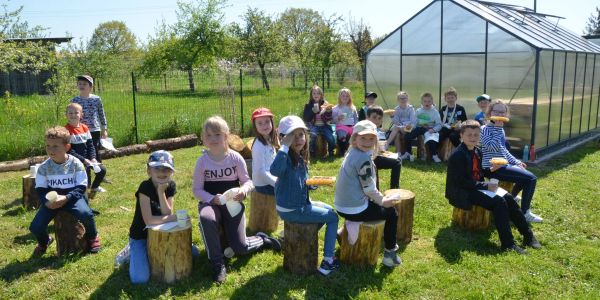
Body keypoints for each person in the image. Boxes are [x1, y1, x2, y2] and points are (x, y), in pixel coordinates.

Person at [193, 116, 281, 283]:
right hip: (211, 204)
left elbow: (248, 181)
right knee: (206, 218)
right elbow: (196, 190)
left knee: (240, 248)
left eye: (217, 134)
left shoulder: (235, 158)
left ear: (226, 136)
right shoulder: (202, 161)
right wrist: (212, 199)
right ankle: (217, 263)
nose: (213, 139)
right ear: (203, 139)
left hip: (233, 205)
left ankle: (261, 239)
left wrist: (243, 190)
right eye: (208, 136)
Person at [445, 120, 542, 254]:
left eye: (476, 135)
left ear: (480, 136)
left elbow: (481, 172)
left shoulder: (477, 151)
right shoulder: (457, 155)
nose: (473, 138)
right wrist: (486, 185)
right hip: (463, 192)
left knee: (509, 198)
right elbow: (460, 182)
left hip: (476, 187)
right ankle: (508, 244)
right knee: (498, 202)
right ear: (461, 136)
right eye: (469, 135)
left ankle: (528, 235)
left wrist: (492, 169)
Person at [270, 115, 340, 276]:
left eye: (301, 134)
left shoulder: (299, 156)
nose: (298, 139)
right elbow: (275, 171)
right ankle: (328, 260)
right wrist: (284, 147)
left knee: (329, 209)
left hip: (299, 203)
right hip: (292, 209)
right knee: (333, 217)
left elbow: (299, 181)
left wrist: (311, 184)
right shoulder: (285, 156)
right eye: (291, 136)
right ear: (283, 138)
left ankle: (302, 237)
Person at [334, 120, 402, 267]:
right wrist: (384, 201)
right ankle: (390, 254)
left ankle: (344, 231)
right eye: (363, 138)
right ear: (355, 138)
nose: (367, 142)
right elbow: (369, 189)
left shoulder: (352, 152)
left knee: (376, 206)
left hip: (341, 206)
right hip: (354, 209)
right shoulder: (363, 158)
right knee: (391, 213)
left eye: (371, 138)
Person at [127, 150, 199, 284]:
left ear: (172, 172)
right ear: (149, 171)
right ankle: (131, 250)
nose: (162, 172)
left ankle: (145, 254)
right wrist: (174, 218)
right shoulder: (145, 187)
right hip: (141, 235)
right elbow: (149, 220)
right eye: (157, 168)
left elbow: (167, 212)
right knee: (139, 279)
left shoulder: (170, 185)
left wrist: (161, 193)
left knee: (194, 253)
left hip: (162, 232)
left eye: (166, 169)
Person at [29, 126, 101, 257]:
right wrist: (46, 201)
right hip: (53, 202)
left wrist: (67, 197)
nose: (51, 150)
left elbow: (81, 186)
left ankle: (92, 236)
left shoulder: (76, 164)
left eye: (55, 146)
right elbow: (40, 188)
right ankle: (44, 241)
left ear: (67, 147)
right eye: (48, 146)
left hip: (73, 198)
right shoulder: (44, 168)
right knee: (35, 226)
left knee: (87, 214)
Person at [480, 100, 543, 223]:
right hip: (491, 168)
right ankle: (525, 213)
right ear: (489, 112)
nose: (499, 114)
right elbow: (491, 147)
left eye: (502, 112)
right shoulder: (484, 129)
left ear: (506, 115)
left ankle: (512, 197)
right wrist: (498, 129)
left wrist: (516, 161)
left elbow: (503, 150)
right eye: (496, 111)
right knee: (531, 179)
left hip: (502, 164)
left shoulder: (501, 130)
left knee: (525, 175)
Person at [64, 103, 107, 196]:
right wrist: (83, 160)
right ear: (66, 115)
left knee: (102, 170)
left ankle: (94, 187)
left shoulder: (85, 128)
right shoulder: (66, 130)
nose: (73, 115)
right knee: (85, 183)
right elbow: (69, 151)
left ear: (81, 115)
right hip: (75, 161)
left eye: (76, 113)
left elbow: (90, 145)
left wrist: (93, 158)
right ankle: (84, 193)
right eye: (70, 113)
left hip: (88, 160)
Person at [70, 75, 108, 166]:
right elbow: (71, 115)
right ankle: (85, 171)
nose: (82, 85)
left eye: (84, 84)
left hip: (94, 130)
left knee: (95, 150)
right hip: (80, 131)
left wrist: (104, 129)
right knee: (83, 151)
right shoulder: (75, 100)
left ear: (91, 86)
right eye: (80, 84)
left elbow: (101, 114)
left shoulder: (96, 99)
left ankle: (99, 172)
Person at [366, 106, 402, 189]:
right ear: (367, 118)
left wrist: (382, 149)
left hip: (373, 156)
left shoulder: (377, 130)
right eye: (374, 117)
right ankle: (393, 189)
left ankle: (394, 189)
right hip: (367, 159)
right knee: (397, 162)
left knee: (398, 160)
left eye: (379, 118)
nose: (377, 120)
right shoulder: (367, 129)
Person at [403, 92, 443, 162]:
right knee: (407, 136)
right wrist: (410, 127)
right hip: (419, 129)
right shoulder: (418, 111)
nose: (427, 103)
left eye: (429, 101)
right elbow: (415, 122)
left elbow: (439, 124)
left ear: (432, 102)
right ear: (422, 102)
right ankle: (408, 153)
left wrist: (433, 129)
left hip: (430, 129)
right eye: (425, 101)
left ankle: (434, 155)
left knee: (431, 138)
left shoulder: (435, 112)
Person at [250, 107, 279, 195]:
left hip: (271, 179)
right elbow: (261, 172)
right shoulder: (259, 146)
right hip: (263, 185)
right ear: (255, 126)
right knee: (290, 192)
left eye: (267, 121)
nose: (264, 125)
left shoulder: (270, 140)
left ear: (272, 122)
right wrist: (277, 183)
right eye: (260, 123)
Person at [302, 85, 335, 157]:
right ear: (311, 95)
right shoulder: (308, 105)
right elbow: (306, 118)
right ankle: (312, 151)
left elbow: (329, 119)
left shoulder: (325, 104)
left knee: (330, 137)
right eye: (314, 93)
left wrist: (328, 111)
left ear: (321, 95)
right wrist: (312, 112)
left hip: (324, 126)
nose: (316, 95)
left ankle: (331, 151)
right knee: (313, 135)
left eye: (318, 93)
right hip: (314, 126)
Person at [333, 88, 359, 156]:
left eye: (347, 96)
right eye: (343, 96)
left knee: (352, 139)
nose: (345, 97)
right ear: (339, 97)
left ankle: (349, 151)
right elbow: (332, 120)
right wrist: (338, 118)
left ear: (350, 97)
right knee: (342, 136)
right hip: (341, 126)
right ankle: (342, 151)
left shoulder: (353, 107)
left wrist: (356, 126)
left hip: (351, 127)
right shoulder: (336, 108)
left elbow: (356, 118)